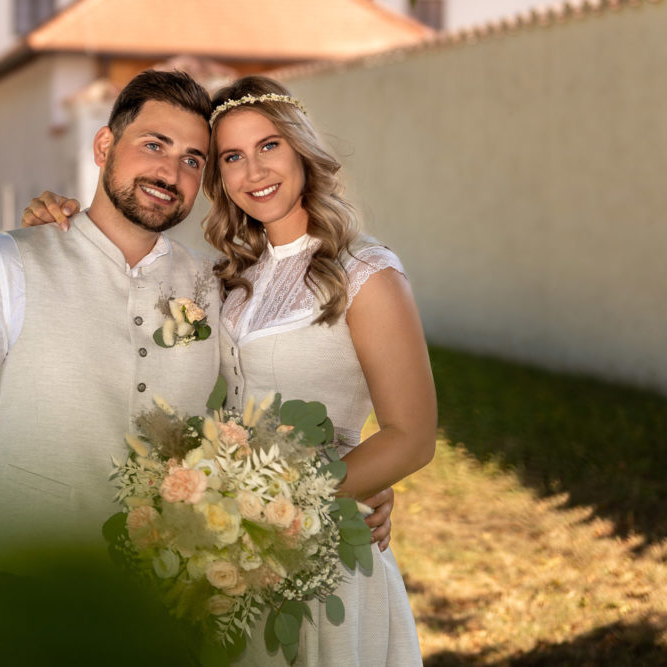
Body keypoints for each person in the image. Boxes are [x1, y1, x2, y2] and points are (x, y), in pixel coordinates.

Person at [24, 75, 436, 666]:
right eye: (231, 158)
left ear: (301, 150)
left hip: (324, 559)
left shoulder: (366, 273)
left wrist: (303, 499)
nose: (254, 172)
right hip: (231, 562)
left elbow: (412, 437)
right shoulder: (225, 279)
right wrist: (60, 227)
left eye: (269, 146)